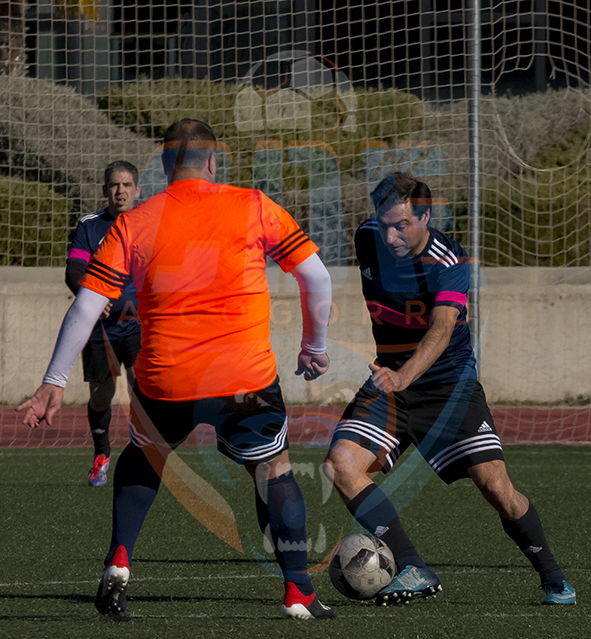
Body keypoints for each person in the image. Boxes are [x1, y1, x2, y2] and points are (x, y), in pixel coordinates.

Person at [18, 119, 335, 620]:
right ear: (213, 161)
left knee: (145, 456)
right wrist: (313, 347)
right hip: (243, 379)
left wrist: (53, 382)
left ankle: (119, 561)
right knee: (272, 469)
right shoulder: (255, 205)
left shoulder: (135, 221)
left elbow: (85, 306)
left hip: (166, 379)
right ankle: (298, 591)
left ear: (164, 167)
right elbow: (316, 276)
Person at [322, 172, 575, 606]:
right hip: (390, 383)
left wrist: (405, 376)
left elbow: (441, 329)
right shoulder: (368, 236)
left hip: (448, 387)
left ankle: (552, 574)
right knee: (340, 465)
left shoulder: (450, 262)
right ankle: (411, 565)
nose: (390, 235)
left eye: (401, 225)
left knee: (497, 489)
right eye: (384, 224)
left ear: (425, 217)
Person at [66, 161, 142, 487]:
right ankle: (101, 454)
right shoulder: (90, 226)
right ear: (105, 190)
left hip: (138, 325)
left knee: (143, 390)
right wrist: (91, 296)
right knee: (100, 396)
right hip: (99, 329)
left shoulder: (150, 224)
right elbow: (74, 271)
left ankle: (142, 456)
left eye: (126, 185)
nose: (120, 191)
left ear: (137, 189)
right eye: (114, 185)